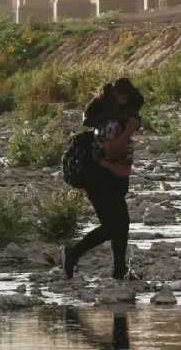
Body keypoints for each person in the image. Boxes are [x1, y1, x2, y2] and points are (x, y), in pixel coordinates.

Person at [61, 78, 144, 280]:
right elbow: (112, 150)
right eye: (120, 96)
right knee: (112, 226)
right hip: (100, 177)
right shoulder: (110, 124)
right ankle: (73, 253)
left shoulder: (118, 117)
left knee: (121, 223)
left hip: (111, 176)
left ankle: (119, 268)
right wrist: (128, 131)